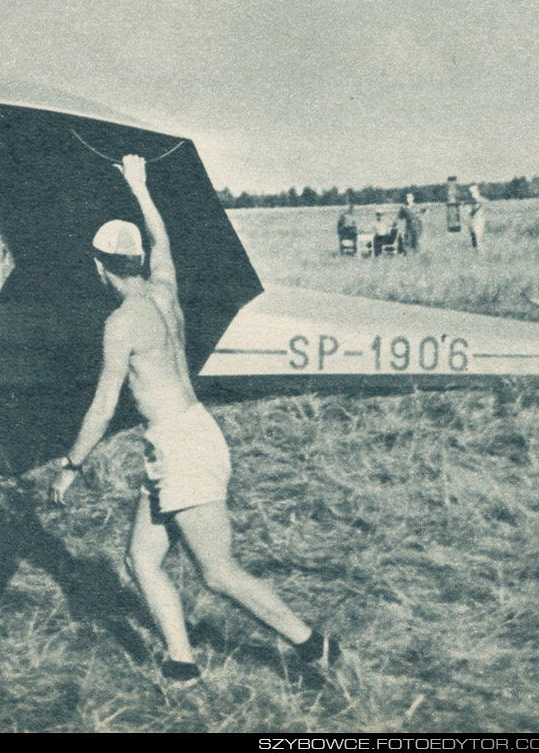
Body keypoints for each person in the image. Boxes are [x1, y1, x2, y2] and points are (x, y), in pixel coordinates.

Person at [48, 155, 340, 685]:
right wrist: (139, 186)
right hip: (183, 436)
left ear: (98, 267)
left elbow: (103, 404)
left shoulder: (120, 323)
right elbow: (162, 241)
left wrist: (71, 465)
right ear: (134, 260)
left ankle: (314, 646)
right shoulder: (164, 289)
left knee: (218, 573)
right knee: (142, 559)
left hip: (182, 447)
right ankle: (182, 665)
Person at [468, 185, 486, 251]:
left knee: (479, 240)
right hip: (474, 222)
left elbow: (472, 212)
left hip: (479, 222)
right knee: (474, 240)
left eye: (472, 193)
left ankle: (481, 255)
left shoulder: (479, 200)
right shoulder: (474, 201)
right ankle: (477, 254)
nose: (471, 195)